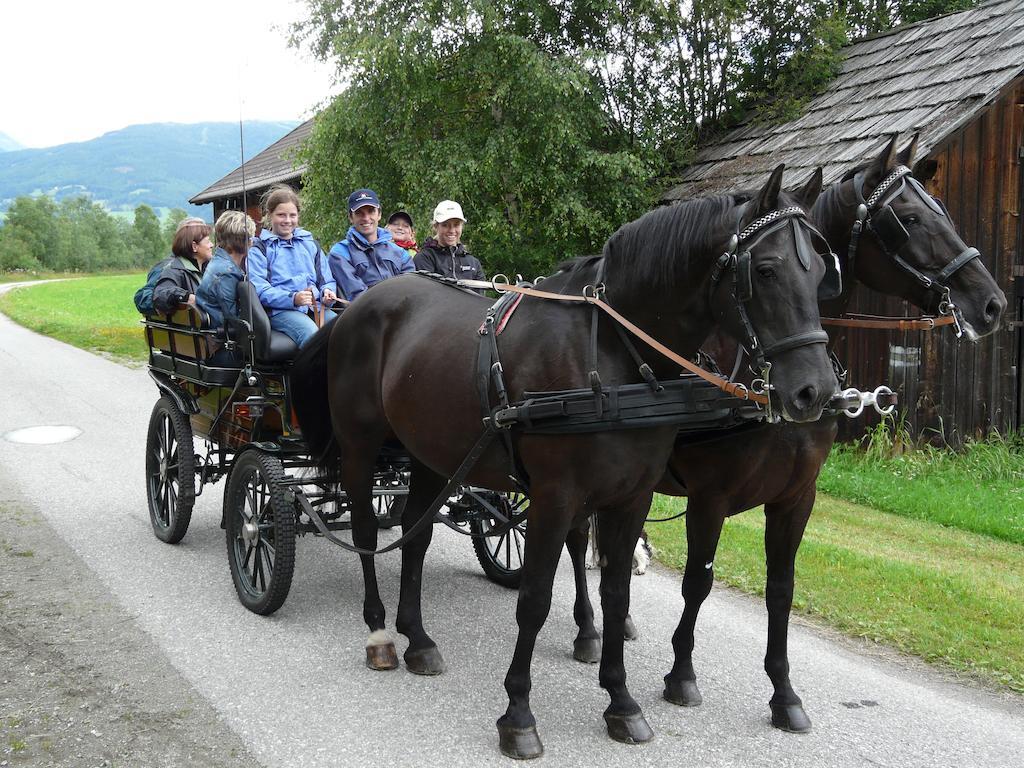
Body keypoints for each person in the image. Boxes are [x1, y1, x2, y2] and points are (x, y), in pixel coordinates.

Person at [247, 186, 338, 348]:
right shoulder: (260, 249)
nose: (287, 220)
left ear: (298, 216)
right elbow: (260, 290)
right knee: (313, 337)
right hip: (281, 311)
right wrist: (293, 298)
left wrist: (327, 292)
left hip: (315, 307)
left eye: (292, 215)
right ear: (269, 215)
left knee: (346, 329)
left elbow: (326, 280)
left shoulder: (311, 244)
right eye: (281, 215)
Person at [328, 189, 415, 302]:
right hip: (363, 315)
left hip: (401, 311)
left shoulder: (400, 253)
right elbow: (356, 295)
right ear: (350, 217)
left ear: (379, 214)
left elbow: (411, 288)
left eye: (371, 211)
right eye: (359, 213)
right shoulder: (339, 253)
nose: (366, 218)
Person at [196, 211, 257, 365]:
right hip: (224, 349)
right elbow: (235, 320)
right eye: (250, 238)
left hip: (219, 341)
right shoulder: (226, 273)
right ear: (245, 242)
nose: (252, 242)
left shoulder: (219, 263)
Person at [152, 218, 214, 315]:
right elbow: (160, 295)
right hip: (199, 328)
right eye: (208, 241)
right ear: (194, 246)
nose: (212, 245)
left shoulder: (209, 268)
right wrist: (186, 297)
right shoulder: (174, 270)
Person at [413, 200, 485, 283]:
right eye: (445, 225)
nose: (452, 230)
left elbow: (479, 295)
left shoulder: (473, 263)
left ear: (462, 226)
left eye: (456, 225)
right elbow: (426, 293)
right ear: (436, 226)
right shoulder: (424, 258)